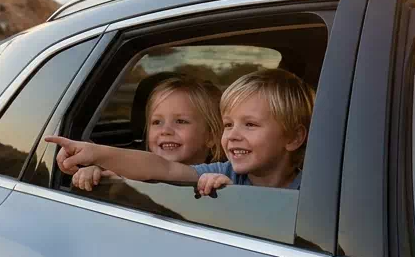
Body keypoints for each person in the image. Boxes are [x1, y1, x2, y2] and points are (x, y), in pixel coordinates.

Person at [47, 67, 313, 195]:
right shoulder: (224, 172)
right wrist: (96, 153)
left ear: (293, 138)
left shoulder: (313, 190)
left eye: (250, 124)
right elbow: (161, 168)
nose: (233, 135)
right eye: (228, 125)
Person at [68, 76, 223, 192]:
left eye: (180, 121)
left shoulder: (220, 176)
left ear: (211, 136)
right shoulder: (134, 171)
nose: (165, 131)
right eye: (156, 122)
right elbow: (117, 171)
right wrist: (94, 172)